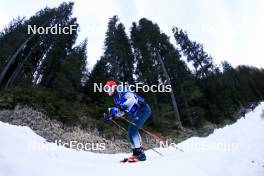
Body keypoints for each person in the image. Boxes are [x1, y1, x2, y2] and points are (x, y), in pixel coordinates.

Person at [104, 80, 152, 162]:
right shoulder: (116, 98)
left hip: (143, 109)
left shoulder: (121, 89)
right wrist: (112, 115)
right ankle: (136, 153)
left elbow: (132, 100)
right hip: (137, 112)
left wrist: (120, 108)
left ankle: (141, 154)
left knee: (133, 128)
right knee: (130, 130)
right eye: (105, 88)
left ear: (113, 87)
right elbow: (121, 112)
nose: (106, 90)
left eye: (107, 87)